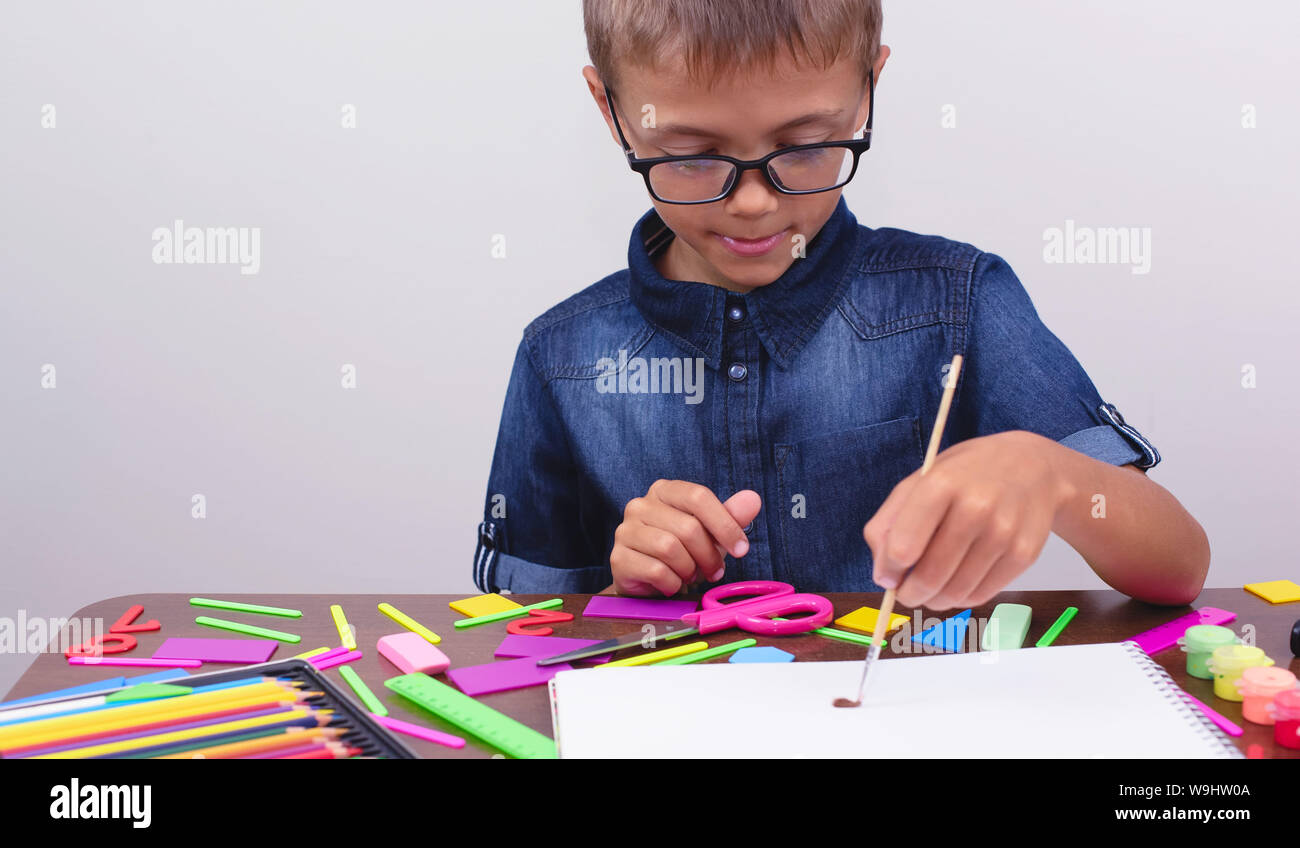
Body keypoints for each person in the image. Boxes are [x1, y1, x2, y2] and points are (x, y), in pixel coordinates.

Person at [473, 0, 1209, 609]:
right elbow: (526, 636)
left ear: (867, 91)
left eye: (804, 146)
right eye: (694, 156)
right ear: (612, 110)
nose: (754, 205)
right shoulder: (560, 357)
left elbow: (1179, 568)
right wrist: (625, 586)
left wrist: (1055, 475)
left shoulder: (958, 303)